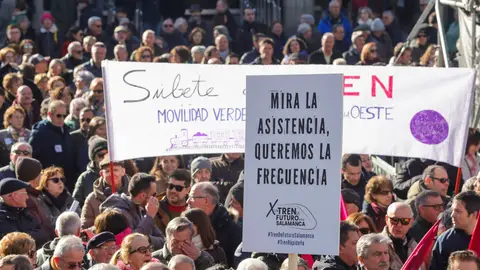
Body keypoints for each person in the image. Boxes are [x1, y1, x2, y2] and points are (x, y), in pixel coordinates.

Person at [100, 173, 165, 250]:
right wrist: (149, 217)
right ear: (142, 196)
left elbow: (162, 241)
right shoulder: (119, 213)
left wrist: (147, 238)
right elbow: (131, 243)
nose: (156, 198)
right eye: (154, 195)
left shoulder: (143, 209)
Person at [188, 182, 242, 267]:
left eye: (191, 197)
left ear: (206, 200)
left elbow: (234, 263)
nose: (188, 201)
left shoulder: (232, 229)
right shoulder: (186, 222)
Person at [29, 100, 75, 191]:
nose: (62, 119)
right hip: (49, 181)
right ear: (50, 114)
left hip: (66, 179)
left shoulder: (67, 130)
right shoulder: (39, 132)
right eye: (58, 116)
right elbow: (33, 157)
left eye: (64, 116)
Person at [429, 191, 480, 269]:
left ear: (474, 214)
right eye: (452, 210)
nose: (452, 215)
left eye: (458, 211)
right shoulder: (445, 240)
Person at [15, 156, 55, 240]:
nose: (41, 175)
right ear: (33, 177)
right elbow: (37, 229)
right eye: (39, 173)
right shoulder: (27, 199)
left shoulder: (33, 194)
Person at [82, 157, 128, 229]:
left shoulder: (134, 193)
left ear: (123, 171)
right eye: (107, 171)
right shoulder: (92, 199)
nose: (112, 174)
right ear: (101, 174)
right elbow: (85, 227)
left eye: (115, 170)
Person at [0, 178, 47, 247]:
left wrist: (27, 235)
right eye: (25, 193)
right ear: (15, 196)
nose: (27, 197)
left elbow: (43, 234)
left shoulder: (23, 211)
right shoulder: (2, 218)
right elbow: (18, 243)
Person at [73, 136, 108, 207]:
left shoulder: (118, 172)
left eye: (107, 154)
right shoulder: (85, 178)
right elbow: (76, 203)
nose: (105, 158)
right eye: (101, 155)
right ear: (93, 158)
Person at [381, 202, 417, 270]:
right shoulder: (376, 244)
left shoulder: (415, 245)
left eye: (405, 221)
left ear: (411, 222)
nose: (399, 225)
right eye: (394, 220)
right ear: (386, 219)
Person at [155, 169, 191, 234]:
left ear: (187, 190)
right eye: (170, 186)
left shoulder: (194, 208)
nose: (173, 191)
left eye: (178, 188)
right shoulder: (156, 209)